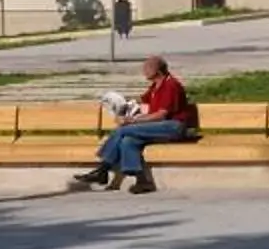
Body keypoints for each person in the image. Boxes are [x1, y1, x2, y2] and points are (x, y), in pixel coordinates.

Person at [69, 55, 197, 194]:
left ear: (158, 71)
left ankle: (103, 170)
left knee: (123, 130)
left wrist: (132, 121)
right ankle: (143, 182)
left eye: (147, 68)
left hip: (173, 126)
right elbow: (141, 100)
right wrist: (120, 105)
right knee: (129, 141)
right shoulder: (156, 85)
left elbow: (161, 115)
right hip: (160, 126)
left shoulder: (170, 85)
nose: (144, 71)